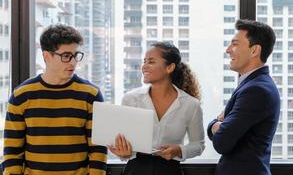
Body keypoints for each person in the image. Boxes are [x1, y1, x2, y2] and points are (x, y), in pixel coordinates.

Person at [1, 24, 107, 175]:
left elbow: (98, 149)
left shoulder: (90, 94)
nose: (73, 62)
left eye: (75, 55)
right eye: (66, 56)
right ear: (46, 56)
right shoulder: (22, 95)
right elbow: (12, 151)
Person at [108, 42, 205, 175]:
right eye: (144, 61)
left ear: (169, 67)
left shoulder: (191, 104)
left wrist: (178, 150)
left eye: (151, 62)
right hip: (135, 169)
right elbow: (123, 145)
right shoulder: (130, 99)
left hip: (170, 170)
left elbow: (198, 145)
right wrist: (124, 153)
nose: (144, 66)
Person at [207, 19, 280, 175]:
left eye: (235, 44)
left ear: (254, 51)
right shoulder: (254, 84)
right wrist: (222, 124)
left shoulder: (256, 90)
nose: (228, 50)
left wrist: (215, 124)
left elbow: (221, 142)